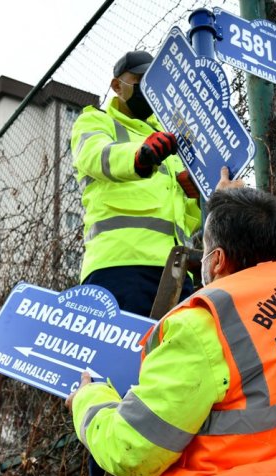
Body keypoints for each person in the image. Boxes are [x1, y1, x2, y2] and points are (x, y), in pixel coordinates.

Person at [66, 187, 276, 476]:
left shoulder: (203, 325)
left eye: (204, 249)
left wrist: (87, 400)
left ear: (217, 260)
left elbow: (132, 450)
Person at [70, 50, 202, 322]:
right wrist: (139, 157)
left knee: (174, 361)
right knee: (119, 362)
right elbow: (97, 156)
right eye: (140, 80)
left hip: (176, 270)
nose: (148, 87)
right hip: (119, 265)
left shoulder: (171, 139)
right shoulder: (96, 121)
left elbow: (186, 217)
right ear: (117, 86)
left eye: (153, 80)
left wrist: (197, 197)